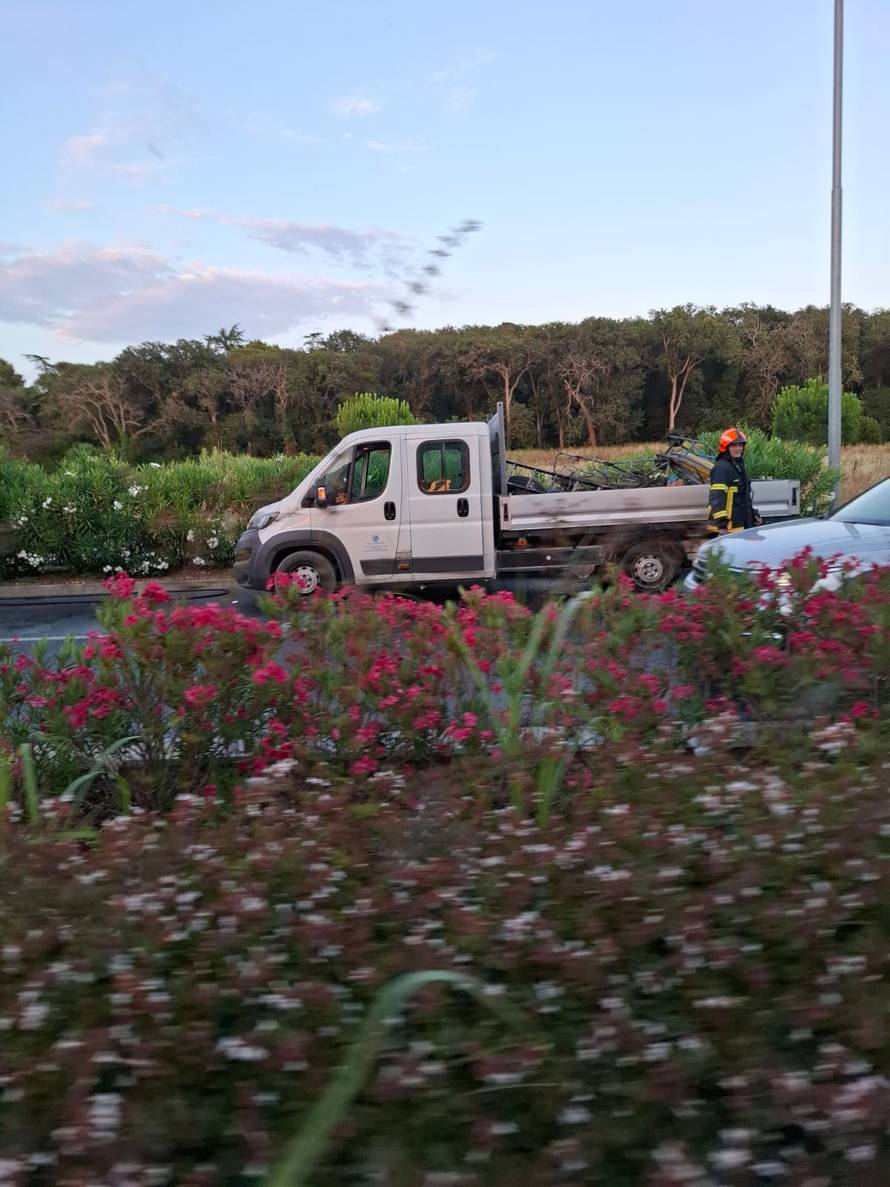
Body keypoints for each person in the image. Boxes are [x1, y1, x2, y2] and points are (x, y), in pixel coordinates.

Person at [707, 428, 762, 535]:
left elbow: (743, 497)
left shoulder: (737, 467)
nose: (738, 448)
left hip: (739, 526)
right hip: (727, 529)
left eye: (740, 445)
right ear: (726, 448)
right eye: (734, 445)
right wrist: (722, 525)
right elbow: (717, 497)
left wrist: (753, 514)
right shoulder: (722, 468)